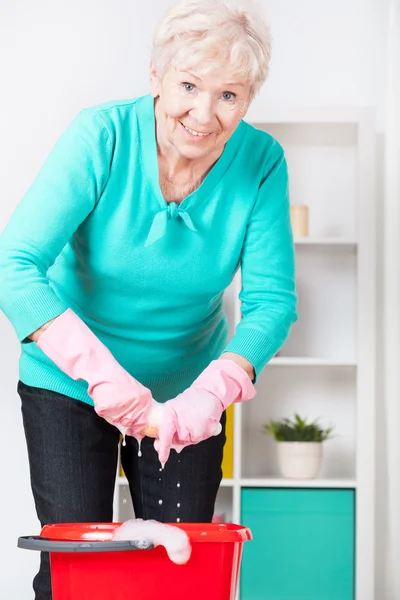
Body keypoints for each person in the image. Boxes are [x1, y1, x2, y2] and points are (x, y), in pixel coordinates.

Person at [0, 0, 297, 597]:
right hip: (70, 380)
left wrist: (212, 392)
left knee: (179, 564)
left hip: (186, 393)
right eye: (189, 84)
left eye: (229, 95)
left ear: (248, 100)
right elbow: (14, 264)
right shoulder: (102, 135)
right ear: (156, 76)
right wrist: (102, 377)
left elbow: (271, 303)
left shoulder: (261, 163)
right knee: (73, 563)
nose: (204, 114)